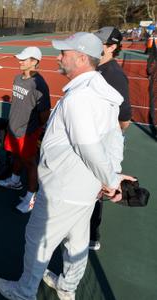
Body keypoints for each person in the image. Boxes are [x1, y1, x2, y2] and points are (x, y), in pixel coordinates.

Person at [0, 32, 135, 300]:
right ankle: (67, 287)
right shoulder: (101, 92)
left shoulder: (79, 97)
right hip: (86, 190)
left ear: (81, 58)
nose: (59, 57)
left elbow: (87, 145)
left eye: (64, 53)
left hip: (62, 190)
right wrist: (110, 174)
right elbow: (114, 137)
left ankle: (24, 292)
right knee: (77, 243)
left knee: (38, 241)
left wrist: (112, 179)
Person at [88, 26, 132, 251]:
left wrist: (113, 135)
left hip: (102, 143)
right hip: (90, 139)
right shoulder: (97, 69)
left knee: (98, 188)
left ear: (112, 47)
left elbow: (124, 118)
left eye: (100, 42)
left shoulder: (114, 76)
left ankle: (92, 236)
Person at [0, 46, 51, 214]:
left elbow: (44, 115)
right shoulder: (17, 78)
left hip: (27, 132)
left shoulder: (39, 85)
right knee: (17, 156)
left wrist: (33, 128)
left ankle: (31, 197)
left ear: (34, 62)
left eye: (24, 59)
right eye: (20, 58)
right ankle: (14, 180)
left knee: (30, 163)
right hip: (13, 128)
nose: (20, 61)